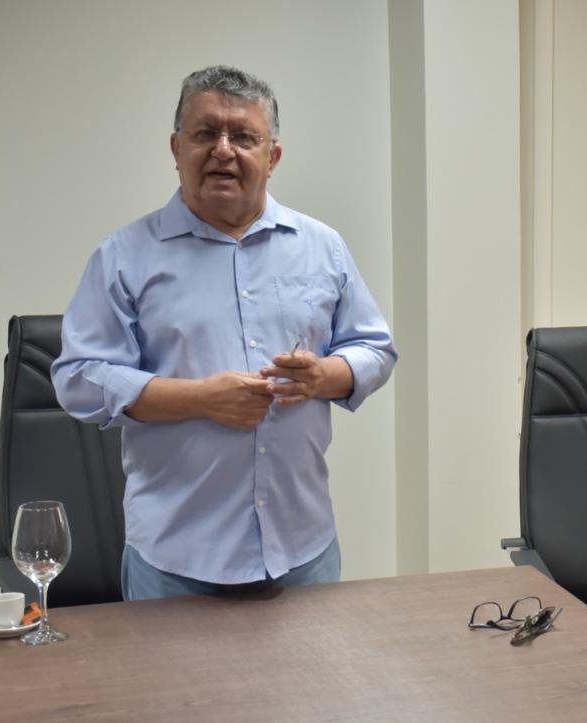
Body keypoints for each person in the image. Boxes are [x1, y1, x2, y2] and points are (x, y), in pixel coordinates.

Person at [52, 65, 397, 601]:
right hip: (177, 558)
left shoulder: (322, 246)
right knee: (172, 691)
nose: (223, 150)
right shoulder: (124, 256)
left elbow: (374, 348)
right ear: (175, 146)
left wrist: (325, 375)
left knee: (310, 689)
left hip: (303, 549)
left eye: (243, 137)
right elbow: (78, 378)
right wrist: (201, 399)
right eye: (206, 133)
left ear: (272, 156)